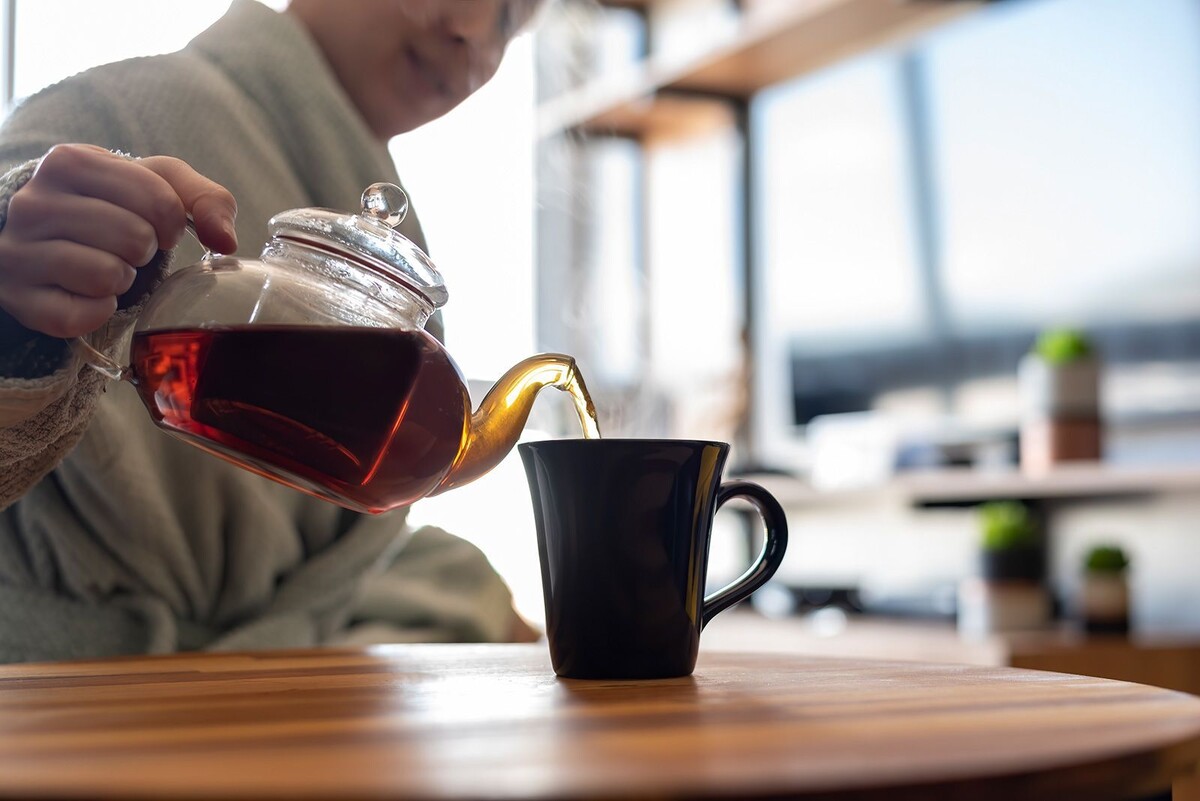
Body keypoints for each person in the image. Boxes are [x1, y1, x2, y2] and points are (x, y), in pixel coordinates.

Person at [0, 0, 545, 662]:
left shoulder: (391, 242)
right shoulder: (112, 109)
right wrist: (14, 306)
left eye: (510, 19)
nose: (470, 32)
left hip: (254, 674)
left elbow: (324, 570)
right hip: (53, 679)